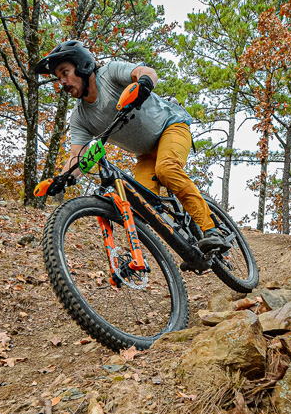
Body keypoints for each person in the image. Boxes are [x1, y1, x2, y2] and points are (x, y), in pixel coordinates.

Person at [36, 40, 231, 254]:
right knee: (140, 204)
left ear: (82, 65)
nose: (62, 82)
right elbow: (78, 156)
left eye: (65, 73)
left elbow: (146, 72)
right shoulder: (80, 117)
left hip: (172, 126)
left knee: (167, 169)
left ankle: (213, 230)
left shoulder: (109, 73)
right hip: (146, 154)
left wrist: (144, 83)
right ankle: (183, 250)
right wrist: (61, 179)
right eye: (59, 78)